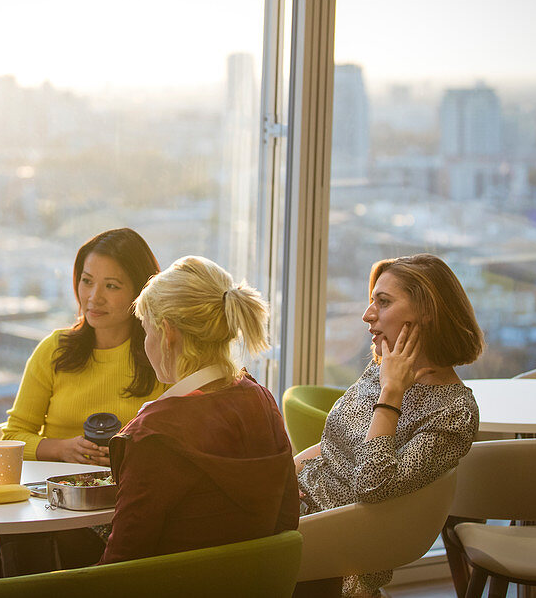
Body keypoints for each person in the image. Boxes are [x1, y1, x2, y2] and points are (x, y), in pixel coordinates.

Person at [295, 253, 483, 597]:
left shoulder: (454, 412)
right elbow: (334, 447)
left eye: (383, 302)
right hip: (302, 510)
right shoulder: (384, 369)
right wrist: (280, 478)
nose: (367, 315)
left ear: (427, 312)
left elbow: (373, 485)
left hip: (335, 546)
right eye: (372, 301)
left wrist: (392, 393)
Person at [99, 255, 299, 563]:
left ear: (167, 333)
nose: (145, 343)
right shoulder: (261, 400)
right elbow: (287, 522)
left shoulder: (153, 436)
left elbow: (120, 565)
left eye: (146, 331)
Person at [3, 228, 168, 466]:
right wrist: (62, 449)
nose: (94, 297)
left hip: (135, 491)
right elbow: (11, 438)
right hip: (56, 494)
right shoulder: (54, 349)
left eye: (111, 286)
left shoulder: (163, 355)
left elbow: (182, 442)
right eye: (87, 281)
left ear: (142, 291)